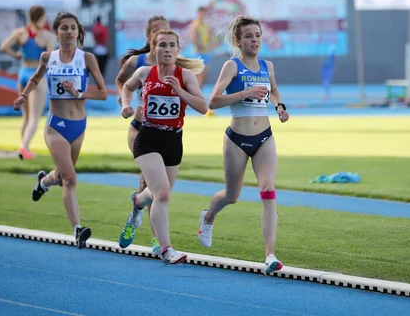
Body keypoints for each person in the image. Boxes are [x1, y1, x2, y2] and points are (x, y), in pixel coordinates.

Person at [197, 15, 290, 274]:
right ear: (238, 41)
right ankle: (208, 217)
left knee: (268, 190)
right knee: (231, 195)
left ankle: (270, 254)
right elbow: (212, 102)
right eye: (249, 36)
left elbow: (274, 90)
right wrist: (245, 93)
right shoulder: (232, 66)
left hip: (264, 137)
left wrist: (280, 107)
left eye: (258, 36)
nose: (255, 40)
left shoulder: (267, 66)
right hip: (236, 139)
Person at [13, 11, 108, 248]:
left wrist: (79, 93)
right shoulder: (48, 57)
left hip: (79, 126)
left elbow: (103, 93)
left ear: (78, 32)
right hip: (56, 126)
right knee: (70, 178)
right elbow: (35, 78)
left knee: (63, 175)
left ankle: (44, 182)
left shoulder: (87, 59)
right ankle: (78, 230)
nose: (68, 32)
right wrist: (23, 96)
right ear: (55, 32)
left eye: (72, 27)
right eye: (63, 28)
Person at [118, 29, 207, 264]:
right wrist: (125, 104)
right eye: (162, 45)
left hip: (173, 141)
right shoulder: (144, 72)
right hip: (147, 138)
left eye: (171, 46)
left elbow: (202, 106)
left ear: (178, 50)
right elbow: (126, 87)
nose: (167, 50)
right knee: (163, 194)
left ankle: (137, 202)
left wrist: (179, 90)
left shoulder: (186, 76)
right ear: (154, 49)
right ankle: (167, 249)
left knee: (157, 192)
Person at [115, 15, 170, 256]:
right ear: (149, 37)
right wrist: (124, 99)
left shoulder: (175, 62)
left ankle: (137, 206)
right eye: (158, 33)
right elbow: (120, 81)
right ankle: (157, 239)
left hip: (166, 133)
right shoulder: (136, 62)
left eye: (167, 33)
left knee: (154, 185)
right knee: (153, 184)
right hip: (139, 127)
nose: (164, 39)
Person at [0, 6, 56, 160]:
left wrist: (16, 55)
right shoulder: (46, 36)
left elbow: (3, 47)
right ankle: (24, 148)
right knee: (34, 117)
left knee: (26, 116)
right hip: (36, 75)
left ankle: (24, 147)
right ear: (42, 17)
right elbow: (50, 59)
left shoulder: (21, 33)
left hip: (23, 73)